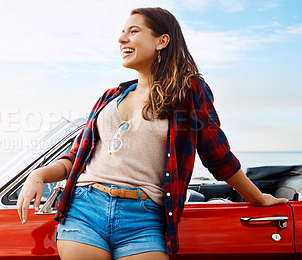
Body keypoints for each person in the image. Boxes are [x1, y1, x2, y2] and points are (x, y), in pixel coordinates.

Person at [17, 7, 288, 260]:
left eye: (133, 31)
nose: (122, 38)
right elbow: (77, 156)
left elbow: (216, 154)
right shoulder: (109, 97)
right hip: (86, 209)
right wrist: (38, 174)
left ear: (162, 41)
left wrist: (258, 198)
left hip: (145, 217)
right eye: (123, 32)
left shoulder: (189, 91)